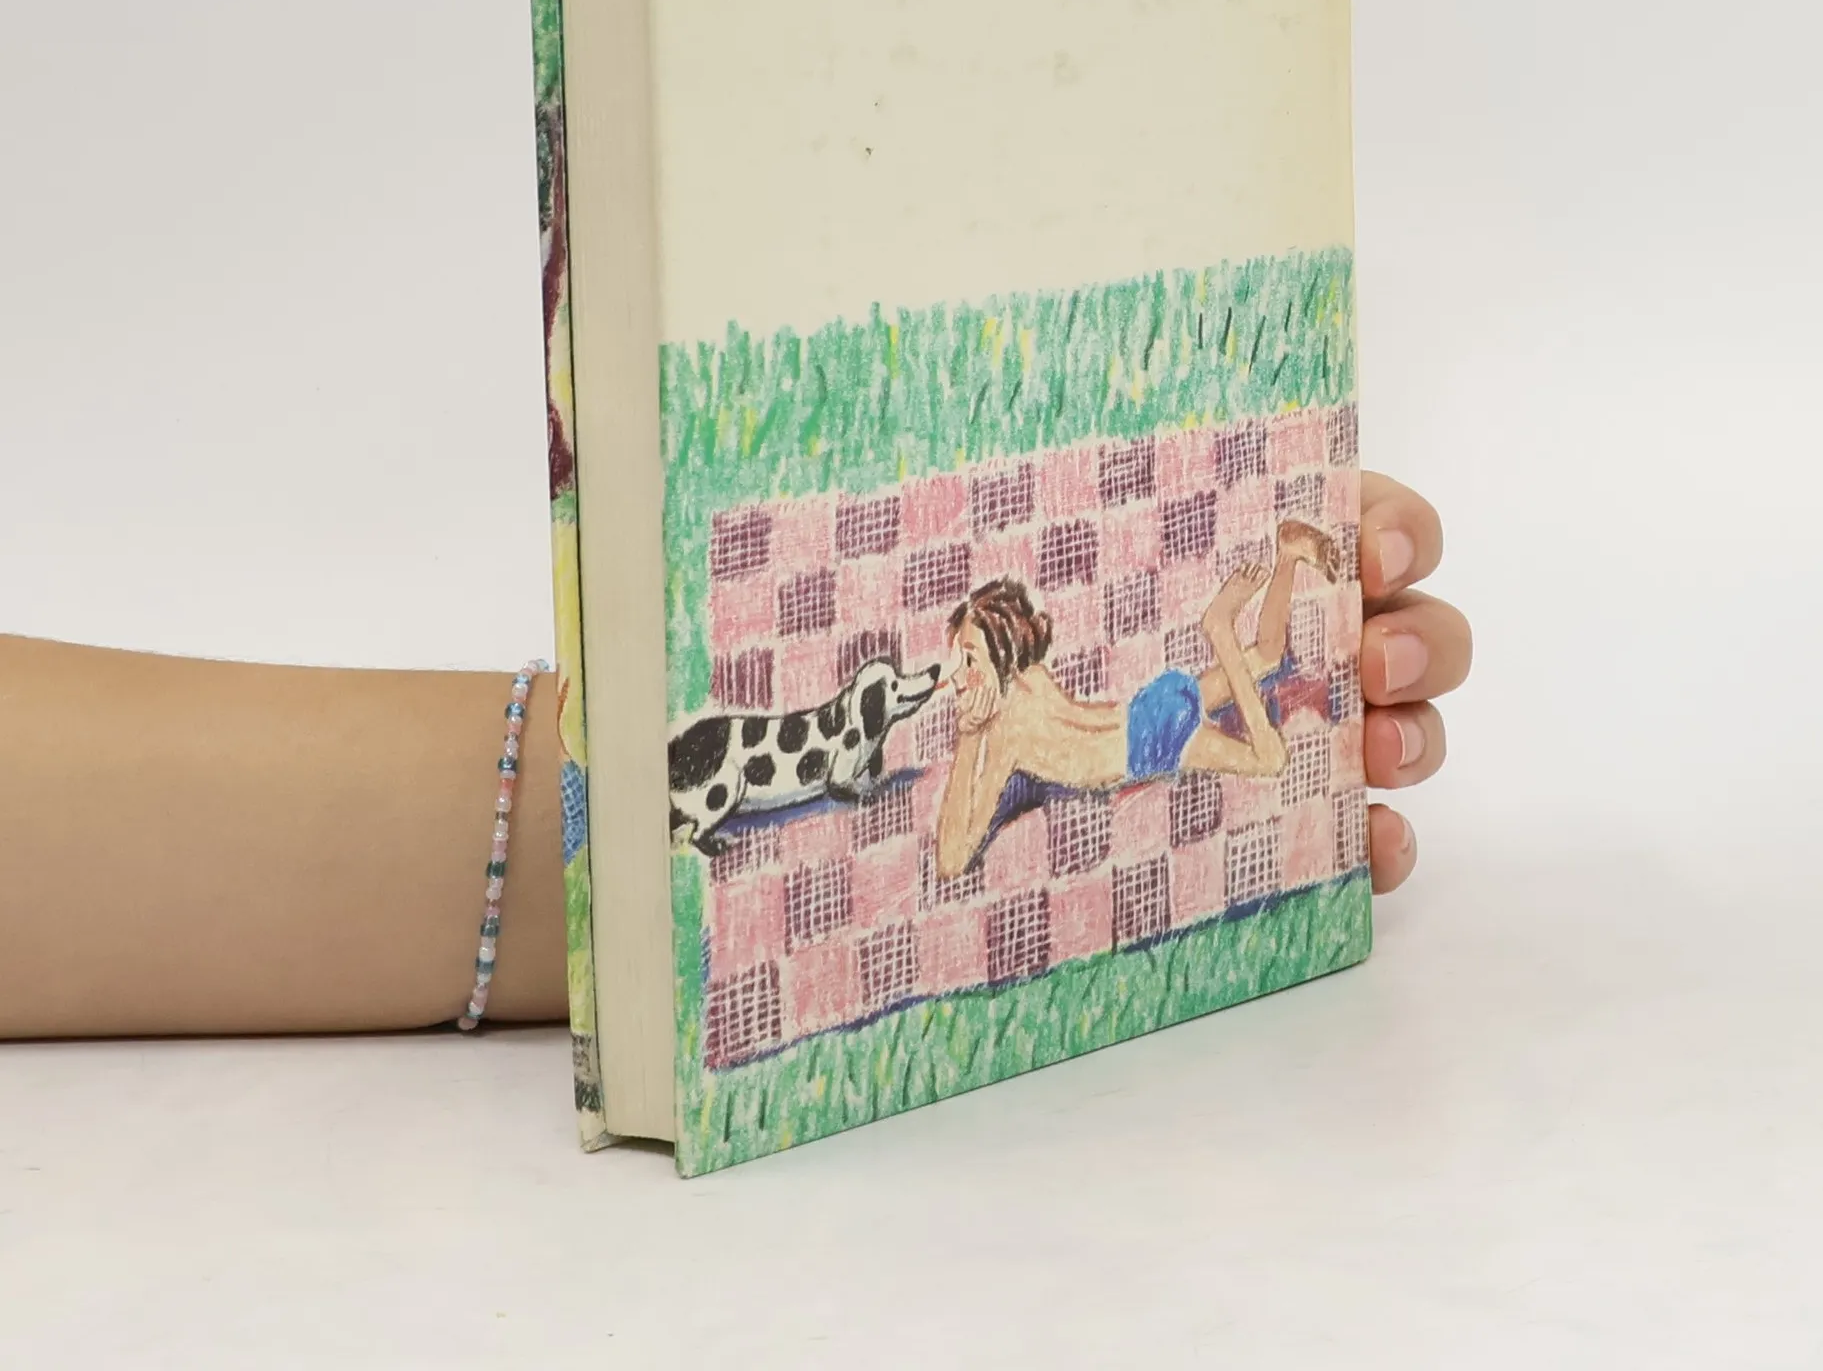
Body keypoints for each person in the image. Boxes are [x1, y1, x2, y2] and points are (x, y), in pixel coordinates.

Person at [0, 473, 1468, 1039]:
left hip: (1139, 729)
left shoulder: (1008, 715)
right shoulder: (1011, 713)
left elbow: (958, 835)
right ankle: (1275, 581)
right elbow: (955, 837)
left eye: (964, 662)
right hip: (1143, 728)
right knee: (1242, 688)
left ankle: (1275, 581)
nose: (951, 678)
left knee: (1252, 699)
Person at [935, 518, 1341, 880]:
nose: (958, 676)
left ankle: (1219, 627)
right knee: (1267, 656)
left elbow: (952, 860)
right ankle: (1288, 552)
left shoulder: (1006, 735)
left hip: (1151, 744)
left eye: (968, 658)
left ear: (1001, 653)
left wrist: (969, 736)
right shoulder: (1031, 678)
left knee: (1270, 759)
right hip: (1151, 706)